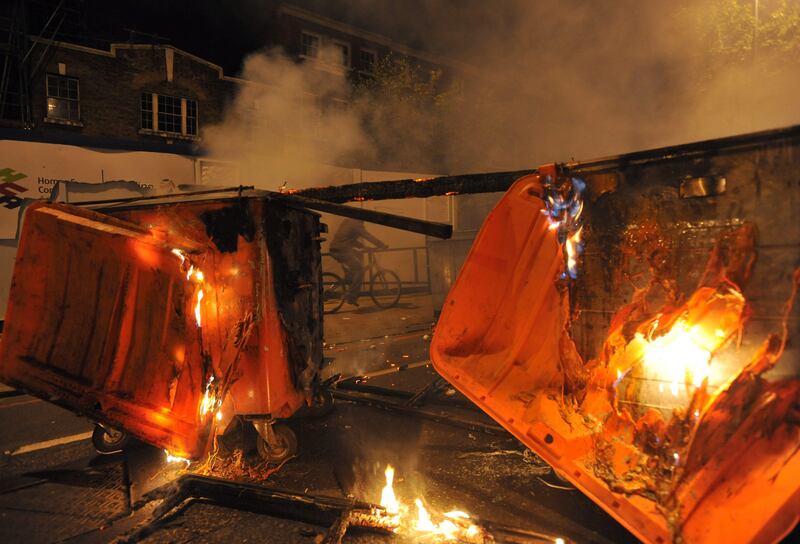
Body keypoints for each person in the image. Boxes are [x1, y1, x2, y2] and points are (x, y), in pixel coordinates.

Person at [329, 218, 387, 306]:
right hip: (342, 250)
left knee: (349, 275)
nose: (364, 223)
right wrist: (381, 244)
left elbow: (348, 239)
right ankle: (351, 297)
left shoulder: (347, 222)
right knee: (359, 270)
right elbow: (367, 235)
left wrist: (363, 246)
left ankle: (329, 291)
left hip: (334, 249)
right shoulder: (357, 224)